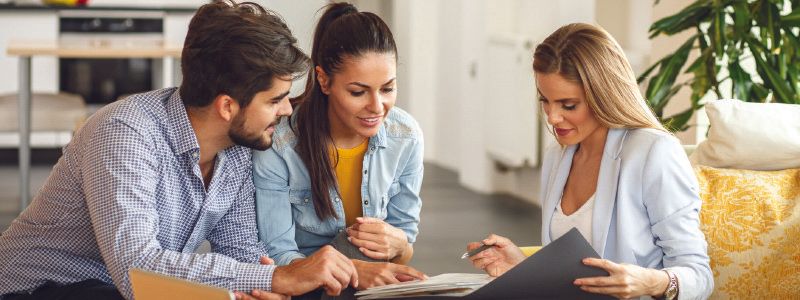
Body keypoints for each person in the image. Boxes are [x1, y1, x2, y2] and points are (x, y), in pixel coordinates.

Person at [0, 2, 359, 300]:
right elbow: (136, 270)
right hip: (37, 289)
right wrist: (275, 279)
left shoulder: (236, 149)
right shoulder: (124, 132)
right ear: (227, 107)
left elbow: (241, 251)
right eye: (275, 100)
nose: (285, 111)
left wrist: (265, 284)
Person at [466, 23, 713, 299]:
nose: (552, 117)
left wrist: (651, 282)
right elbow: (574, 273)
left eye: (568, 105)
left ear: (603, 95)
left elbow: (699, 276)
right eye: (545, 100)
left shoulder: (654, 152)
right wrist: (521, 265)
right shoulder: (558, 155)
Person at [252, 2, 426, 295]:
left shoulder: (405, 136)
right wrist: (355, 270)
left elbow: (404, 246)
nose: (376, 106)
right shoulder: (280, 145)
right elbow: (279, 256)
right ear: (324, 80)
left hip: (372, 286)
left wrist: (398, 244)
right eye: (358, 92)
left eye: (387, 88)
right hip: (303, 288)